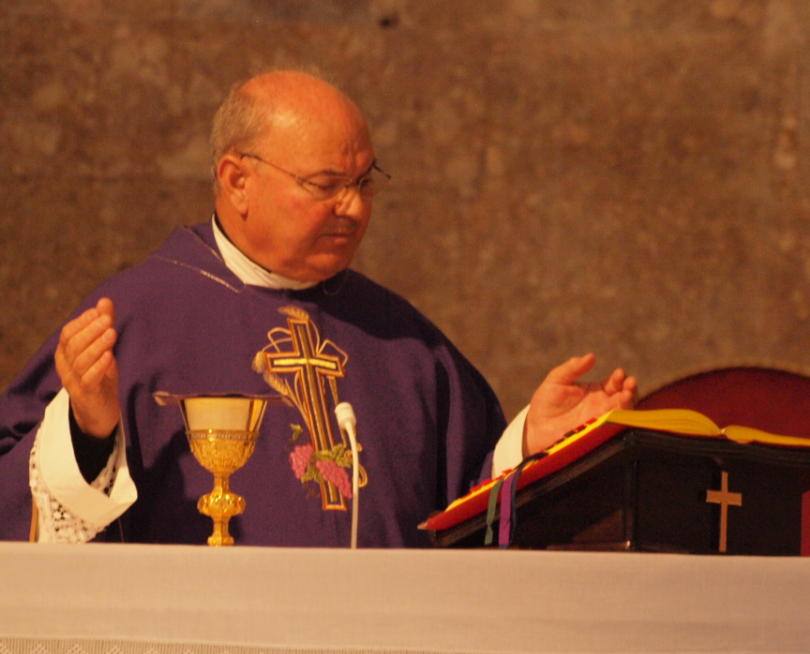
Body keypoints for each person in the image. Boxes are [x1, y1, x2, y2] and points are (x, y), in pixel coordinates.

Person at [0, 71, 636, 547]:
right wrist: (87, 432)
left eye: (364, 183)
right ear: (237, 181)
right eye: (326, 186)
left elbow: (461, 514)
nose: (353, 208)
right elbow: (15, 502)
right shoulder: (136, 321)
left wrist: (528, 446)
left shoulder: (403, 342)